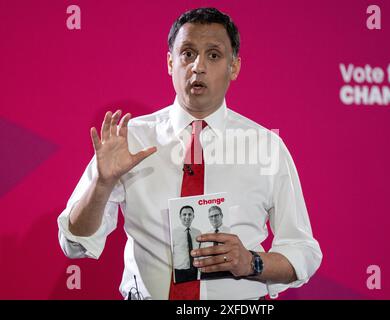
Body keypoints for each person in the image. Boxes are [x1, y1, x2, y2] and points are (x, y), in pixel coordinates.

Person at [57, 7, 322, 300]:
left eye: (213, 55)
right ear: (170, 62)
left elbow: (303, 251)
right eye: (187, 53)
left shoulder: (265, 147)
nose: (198, 66)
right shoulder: (130, 138)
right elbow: (74, 244)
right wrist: (102, 185)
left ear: (234, 67)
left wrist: (251, 262)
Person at [172, 205, 201, 283]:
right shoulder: (173, 233)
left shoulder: (198, 232)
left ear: (193, 216)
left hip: (195, 271)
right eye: (184, 214)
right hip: (179, 272)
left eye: (189, 214)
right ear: (180, 216)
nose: (187, 217)